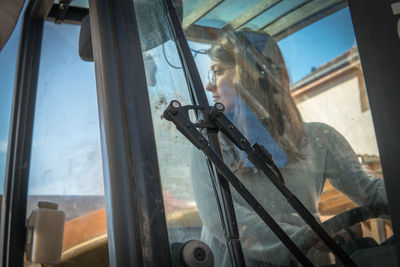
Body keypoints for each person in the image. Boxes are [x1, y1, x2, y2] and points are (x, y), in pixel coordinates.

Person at [189, 30, 388, 266]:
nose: (209, 85)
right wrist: (310, 236)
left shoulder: (319, 139)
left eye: (218, 71)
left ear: (252, 75)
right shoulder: (211, 142)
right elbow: (221, 218)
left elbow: (370, 189)